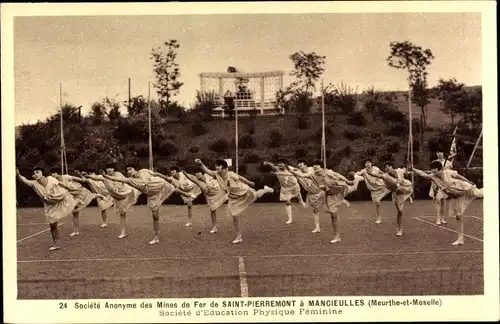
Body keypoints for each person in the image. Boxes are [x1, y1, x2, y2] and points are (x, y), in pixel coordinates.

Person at [102, 164, 196, 245]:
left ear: (135, 169)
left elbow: (156, 174)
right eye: (127, 170)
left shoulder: (144, 171)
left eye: (130, 169)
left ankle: (187, 194)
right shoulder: (130, 180)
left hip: (157, 184)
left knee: (171, 187)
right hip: (151, 195)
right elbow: (118, 179)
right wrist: (106, 177)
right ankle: (156, 237)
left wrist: (166, 178)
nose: (129, 171)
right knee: (155, 216)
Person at [195, 158, 274, 244]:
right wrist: (201, 163)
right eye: (216, 165)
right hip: (233, 197)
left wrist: (250, 182)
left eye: (219, 166)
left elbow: (240, 178)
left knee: (257, 195)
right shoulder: (216, 174)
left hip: (243, 191)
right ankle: (239, 236)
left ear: (224, 168)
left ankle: (266, 189)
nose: (217, 167)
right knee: (234, 214)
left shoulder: (231, 174)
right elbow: (207, 171)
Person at [411, 161, 482, 246]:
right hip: (456, 195)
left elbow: (459, 176)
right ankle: (460, 239)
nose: (434, 173)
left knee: (480, 193)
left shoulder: (447, 172)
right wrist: (413, 168)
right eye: (432, 171)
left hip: (465, 188)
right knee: (458, 216)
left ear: (440, 169)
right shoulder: (434, 177)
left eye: (435, 171)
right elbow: (422, 173)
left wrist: (469, 182)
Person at [289, 160, 362, 243]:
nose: (314, 166)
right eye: (314, 165)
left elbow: (339, 176)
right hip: (331, 195)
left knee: (352, 188)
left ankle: (356, 180)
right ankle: (337, 236)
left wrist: (348, 181)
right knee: (332, 214)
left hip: (340, 189)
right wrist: (292, 171)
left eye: (317, 165)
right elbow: (302, 174)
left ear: (321, 167)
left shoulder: (328, 172)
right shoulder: (312, 175)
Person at [16, 167, 77, 251]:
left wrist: (68, 188)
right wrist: (18, 174)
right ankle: (56, 244)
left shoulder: (50, 178)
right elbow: (24, 180)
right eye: (34, 173)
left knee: (71, 202)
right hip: (49, 205)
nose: (36, 174)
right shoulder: (34, 183)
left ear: (42, 173)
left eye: (37, 172)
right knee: (52, 225)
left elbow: (59, 183)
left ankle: (78, 200)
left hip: (60, 199)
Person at [84, 163, 141, 239]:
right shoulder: (103, 177)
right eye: (108, 168)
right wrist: (86, 175)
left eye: (111, 168)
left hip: (124, 192)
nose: (109, 169)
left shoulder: (118, 174)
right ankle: (123, 233)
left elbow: (125, 181)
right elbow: (95, 178)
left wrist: (118, 187)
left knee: (124, 209)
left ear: (114, 169)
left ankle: (122, 232)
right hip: (117, 197)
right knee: (122, 214)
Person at [366, 161, 413, 236]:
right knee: (399, 211)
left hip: (406, 187)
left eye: (389, 166)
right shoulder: (385, 176)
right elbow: (377, 175)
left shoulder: (399, 171)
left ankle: (409, 197)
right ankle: (400, 229)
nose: (387, 168)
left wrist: (408, 165)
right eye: (385, 167)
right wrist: (369, 173)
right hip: (397, 194)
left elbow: (405, 169)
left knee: (405, 189)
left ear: (392, 167)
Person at [49, 168, 97, 237]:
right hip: (73, 197)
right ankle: (76, 231)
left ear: (58, 173)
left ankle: (96, 195)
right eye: (51, 174)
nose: (52, 175)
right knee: (75, 213)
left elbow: (81, 180)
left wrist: (81, 176)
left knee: (91, 197)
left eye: (54, 173)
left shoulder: (66, 177)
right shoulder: (56, 182)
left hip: (80, 192)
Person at [182, 167, 228, 234]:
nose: (197, 174)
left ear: (202, 172)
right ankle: (214, 227)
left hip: (217, 191)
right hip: (209, 196)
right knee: (212, 210)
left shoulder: (208, 175)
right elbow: (191, 178)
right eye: (196, 173)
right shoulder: (197, 180)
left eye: (198, 172)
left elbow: (218, 175)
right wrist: (185, 174)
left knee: (228, 199)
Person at [262, 158, 306, 225]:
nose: (279, 165)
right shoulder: (277, 169)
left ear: (284, 164)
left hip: (294, 185)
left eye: (281, 163)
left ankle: (301, 201)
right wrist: (267, 163)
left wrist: (301, 171)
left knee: (298, 194)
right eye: (278, 163)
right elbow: (272, 165)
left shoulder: (289, 168)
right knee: (288, 202)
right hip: (285, 188)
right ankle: (290, 219)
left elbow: (298, 171)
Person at [287, 159, 325, 233]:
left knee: (330, 209)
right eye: (298, 164)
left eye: (301, 164)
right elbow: (288, 169)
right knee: (315, 211)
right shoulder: (297, 173)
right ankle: (317, 227)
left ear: (305, 164)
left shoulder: (312, 169)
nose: (299, 165)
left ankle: (342, 199)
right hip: (312, 195)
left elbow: (322, 171)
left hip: (321, 192)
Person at [353, 159, 391, 224]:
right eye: (366, 163)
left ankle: (407, 195)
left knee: (395, 188)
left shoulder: (376, 168)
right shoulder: (364, 171)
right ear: (364, 164)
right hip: (374, 191)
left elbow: (383, 173)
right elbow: (358, 173)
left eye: (369, 162)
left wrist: (389, 176)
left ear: (371, 163)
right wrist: (354, 174)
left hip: (382, 186)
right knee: (377, 203)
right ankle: (379, 218)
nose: (368, 164)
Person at [429, 148, 456, 225]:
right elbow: (432, 174)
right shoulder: (434, 162)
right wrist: (433, 184)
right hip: (436, 183)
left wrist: (444, 171)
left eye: (440, 152)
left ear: (443, 153)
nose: (439, 154)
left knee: (443, 202)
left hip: (444, 184)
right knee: (437, 201)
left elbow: (451, 173)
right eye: (437, 152)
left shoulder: (448, 163)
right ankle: (437, 218)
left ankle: (442, 218)